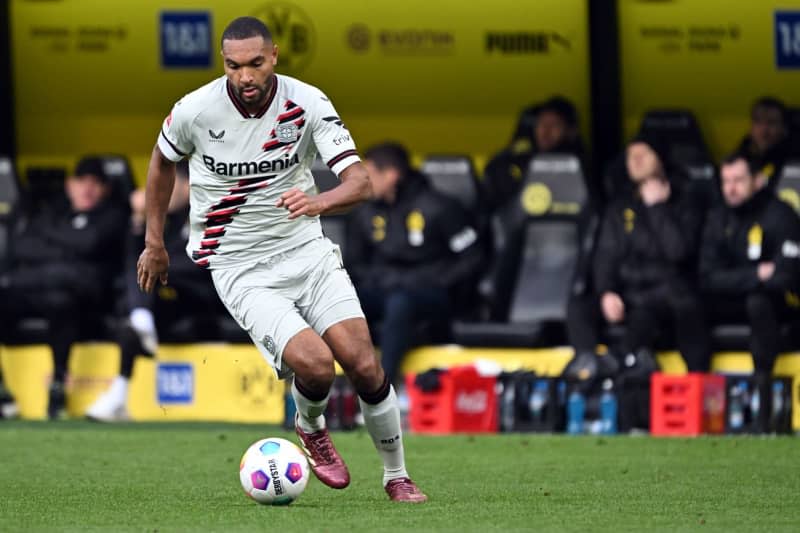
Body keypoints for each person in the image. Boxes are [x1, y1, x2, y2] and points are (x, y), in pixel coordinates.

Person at [136, 17, 426, 502]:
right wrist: (155, 242)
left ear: (273, 55)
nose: (244, 77)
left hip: (305, 251)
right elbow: (162, 161)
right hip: (239, 264)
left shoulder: (307, 102)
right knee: (316, 368)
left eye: (254, 64)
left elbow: (361, 182)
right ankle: (310, 426)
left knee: (364, 364)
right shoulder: (194, 110)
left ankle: (396, 476)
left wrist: (319, 203)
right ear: (223, 63)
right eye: (233, 66)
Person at [86, 160, 222, 422]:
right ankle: (120, 392)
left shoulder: (208, 214)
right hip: (165, 299)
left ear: (189, 186)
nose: (160, 192)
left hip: (204, 298)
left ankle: (140, 319)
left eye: (169, 186)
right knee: (136, 288)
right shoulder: (163, 220)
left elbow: (197, 265)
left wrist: (157, 262)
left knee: (145, 278)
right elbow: (132, 259)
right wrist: (139, 220)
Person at [566, 136, 710, 378]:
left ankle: (624, 362)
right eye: (631, 156)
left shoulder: (685, 199)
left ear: (660, 158)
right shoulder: (620, 206)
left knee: (649, 313)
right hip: (626, 294)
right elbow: (605, 255)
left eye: (644, 155)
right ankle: (588, 364)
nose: (635, 161)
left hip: (664, 297)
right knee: (578, 307)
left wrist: (657, 208)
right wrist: (607, 292)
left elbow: (678, 251)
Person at [345, 142, 484, 385]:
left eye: (370, 175)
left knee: (400, 303)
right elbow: (356, 263)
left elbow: (473, 258)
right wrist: (378, 280)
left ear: (391, 175)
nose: (365, 182)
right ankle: (331, 385)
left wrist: (435, 281)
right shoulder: (365, 211)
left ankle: (380, 389)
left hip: (431, 293)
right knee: (339, 299)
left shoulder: (440, 206)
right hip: (383, 288)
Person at [0, 157, 128, 418]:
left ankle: (58, 381)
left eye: (96, 183)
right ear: (70, 185)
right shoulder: (54, 212)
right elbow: (22, 247)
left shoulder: (113, 216)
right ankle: (3, 390)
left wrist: (51, 242)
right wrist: (68, 256)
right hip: (42, 291)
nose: (88, 189)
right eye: (82, 182)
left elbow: (89, 243)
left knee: (62, 300)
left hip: (86, 301)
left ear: (105, 189)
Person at [699, 154, 800, 400]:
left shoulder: (780, 214)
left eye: (738, 180)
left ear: (756, 181)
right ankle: (697, 390)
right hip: (729, 299)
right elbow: (706, 277)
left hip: (775, 303)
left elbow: (786, 275)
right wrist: (755, 274)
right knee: (688, 304)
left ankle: (762, 390)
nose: (731, 189)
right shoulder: (718, 217)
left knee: (759, 301)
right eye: (726, 182)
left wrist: (736, 279)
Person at [483, 96, 587, 211]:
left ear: (571, 131)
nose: (546, 130)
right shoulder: (521, 158)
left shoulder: (581, 165)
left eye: (555, 124)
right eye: (541, 123)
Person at [732, 97, 800, 189]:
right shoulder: (738, 159)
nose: (764, 130)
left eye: (771, 123)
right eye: (758, 121)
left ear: (784, 129)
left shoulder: (793, 163)